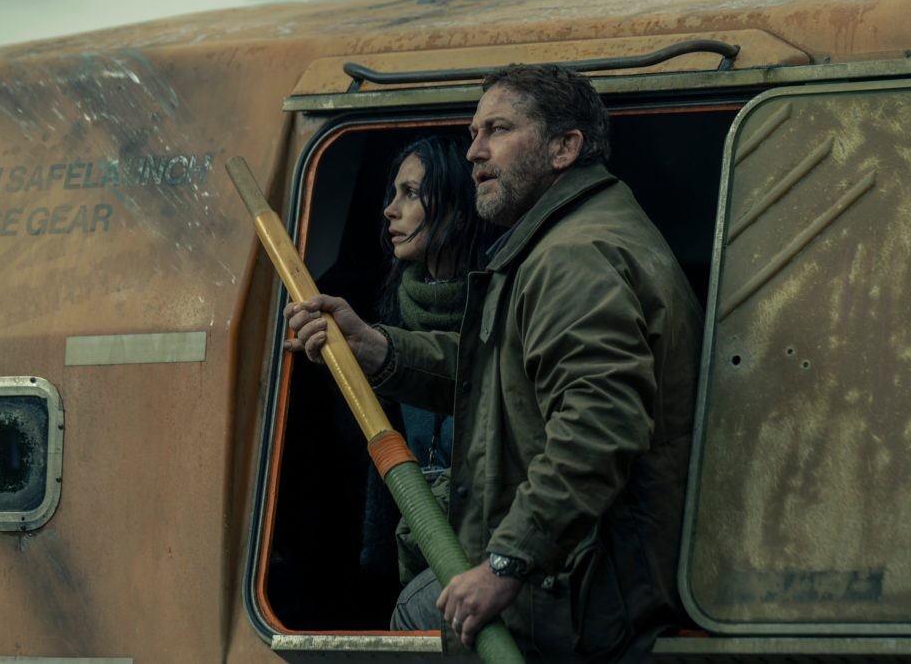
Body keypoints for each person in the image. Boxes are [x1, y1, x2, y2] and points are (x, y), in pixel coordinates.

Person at [284, 63, 703, 662]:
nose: (474, 152)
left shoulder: (574, 256)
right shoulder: (573, 237)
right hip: (588, 573)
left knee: (420, 609)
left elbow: (600, 424)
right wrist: (378, 347)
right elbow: (503, 371)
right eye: (473, 133)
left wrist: (506, 562)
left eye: (498, 130)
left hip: (580, 591)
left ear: (564, 148)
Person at [356, 135, 503, 580]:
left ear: (459, 210)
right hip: (416, 535)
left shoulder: (504, 302)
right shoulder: (391, 314)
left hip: (484, 545)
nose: (390, 209)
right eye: (393, 193)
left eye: (412, 193)